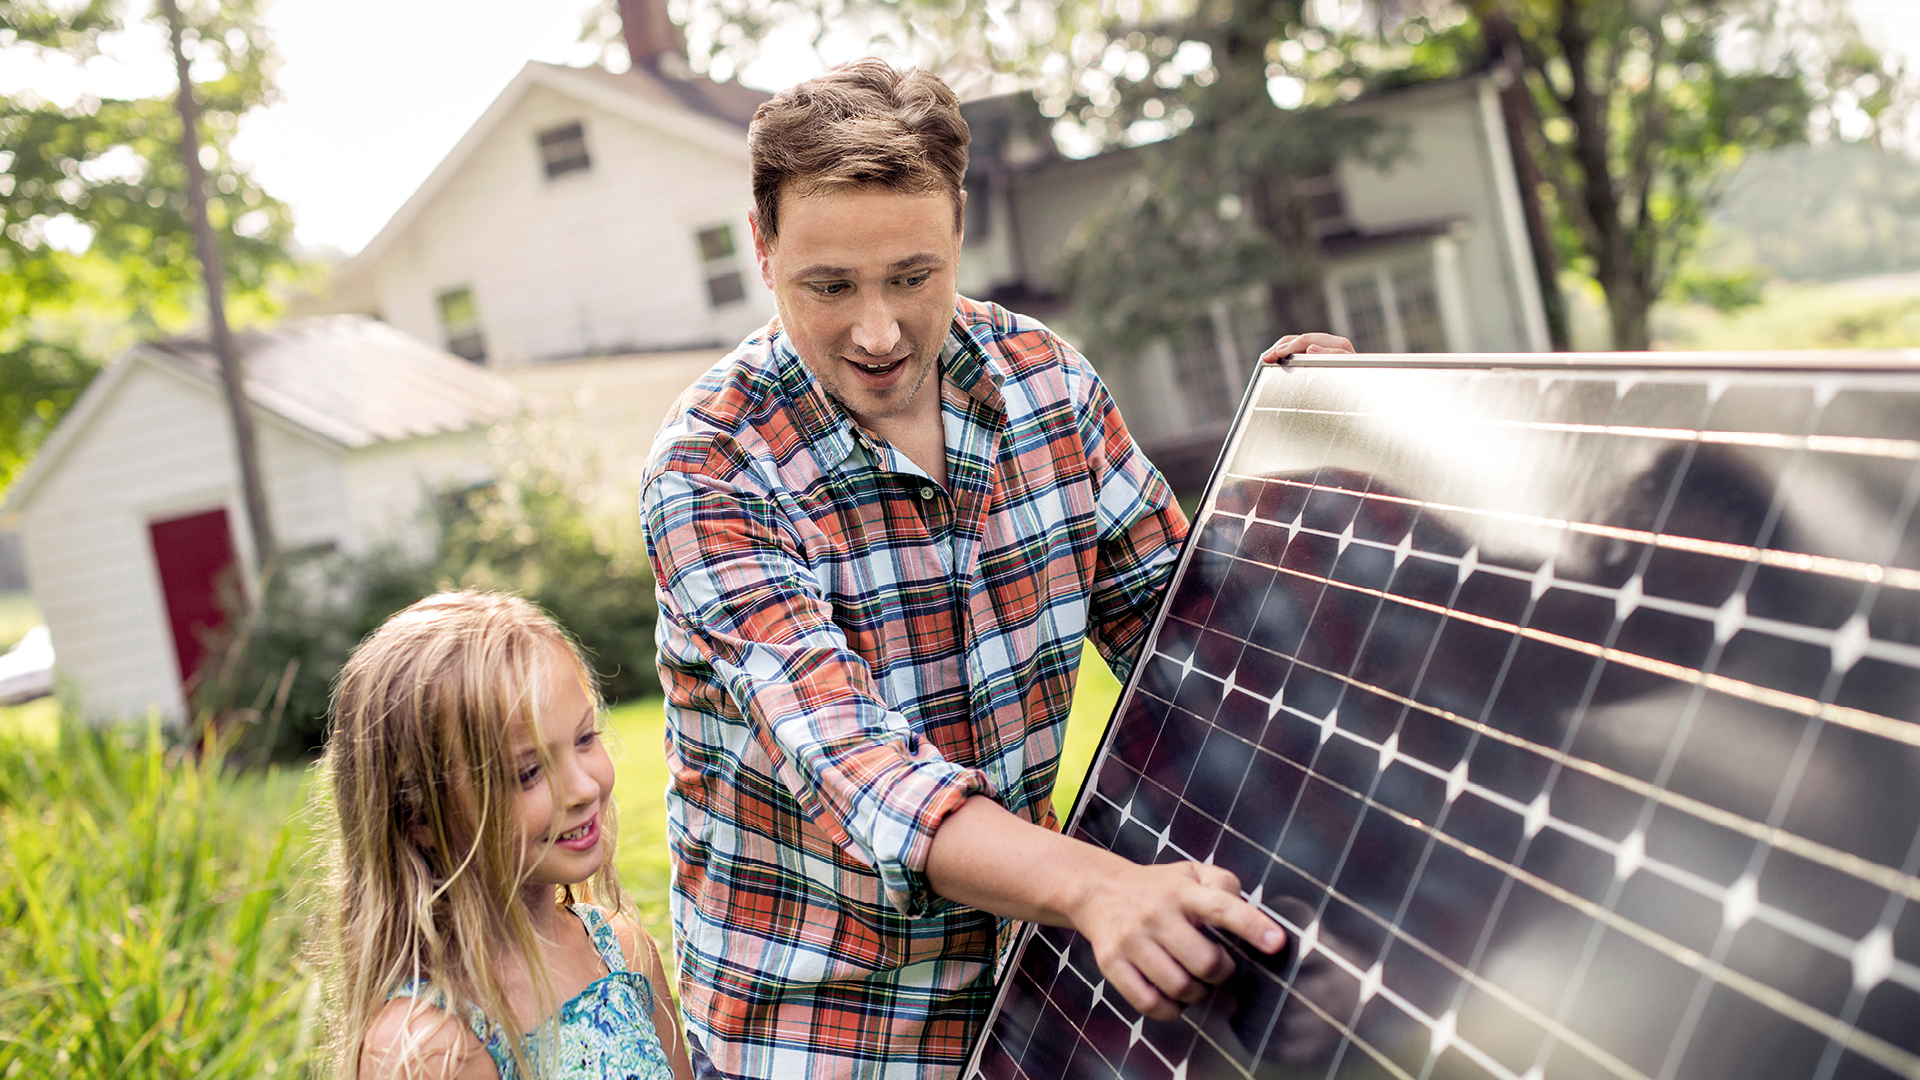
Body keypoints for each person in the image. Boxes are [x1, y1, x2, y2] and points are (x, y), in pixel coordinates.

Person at [641, 59, 1354, 1078]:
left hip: (1034, 999)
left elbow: (1198, 639)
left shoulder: (1047, 385)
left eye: (913, 276)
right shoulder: (711, 468)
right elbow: (858, 767)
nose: (878, 331)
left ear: (960, 229)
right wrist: (1095, 886)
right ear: (762, 248)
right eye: (830, 286)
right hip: (820, 1039)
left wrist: (1285, 459)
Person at [321, 589, 695, 1080]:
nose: (583, 788)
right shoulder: (428, 1046)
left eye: (585, 739)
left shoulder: (621, 952)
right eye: (527, 773)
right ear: (419, 818)